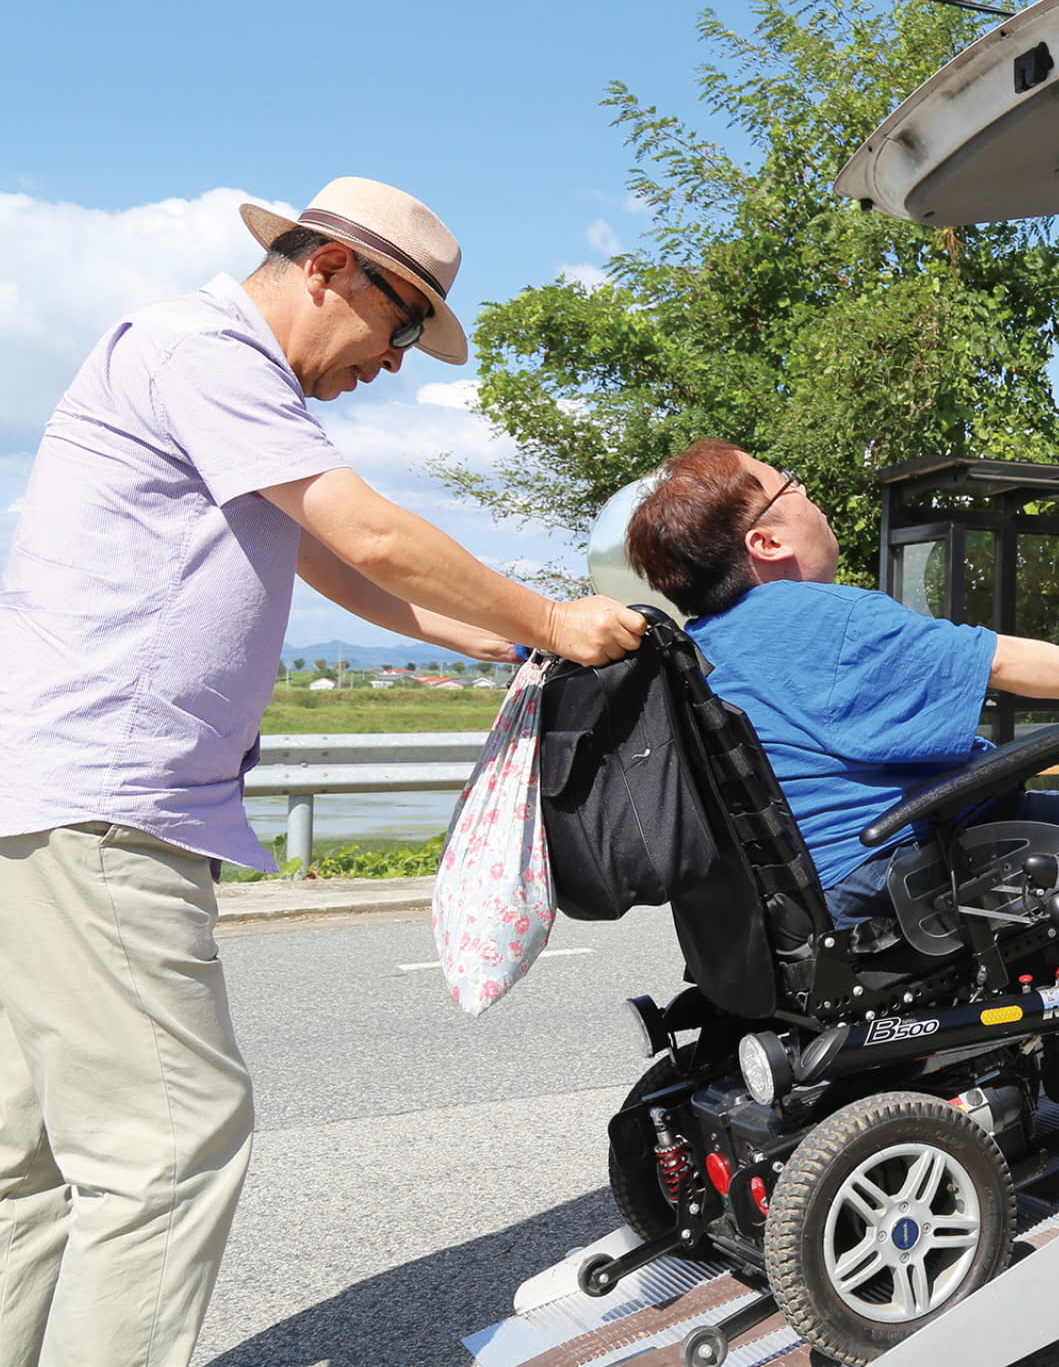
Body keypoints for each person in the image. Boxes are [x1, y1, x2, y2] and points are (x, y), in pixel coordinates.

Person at [0, 178, 646, 1367]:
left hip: (42, 801)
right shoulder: (206, 348)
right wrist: (552, 618)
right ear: (329, 269)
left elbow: (328, 562)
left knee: (28, 1161)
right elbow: (371, 530)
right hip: (105, 805)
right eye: (403, 327)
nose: (397, 363)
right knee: (169, 1141)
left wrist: (484, 632)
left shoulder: (192, 365)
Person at [620, 439, 1059, 992]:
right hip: (876, 887)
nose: (807, 491)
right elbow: (1002, 660)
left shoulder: (700, 651)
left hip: (781, 912)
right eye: (789, 483)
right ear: (765, 541)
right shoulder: (822, 618)